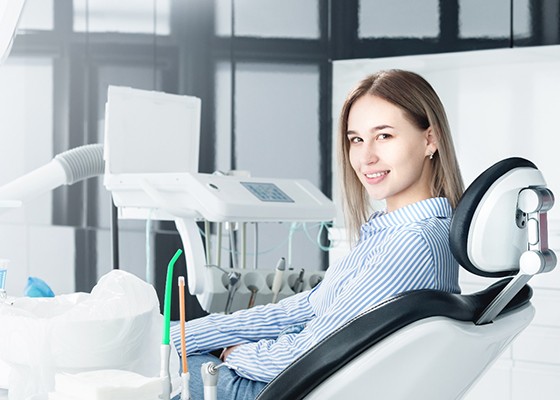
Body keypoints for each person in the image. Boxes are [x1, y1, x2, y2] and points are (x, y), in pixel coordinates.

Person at [170, 69, 464, 399]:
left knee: (163, 368)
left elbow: (313, 350)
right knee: (171, 352)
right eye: (356, 139)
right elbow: (302, 311)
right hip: (307, 383)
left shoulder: (412, 244)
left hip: (295, 389)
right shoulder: (398, 233)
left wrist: (236, 354)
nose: (366, 158)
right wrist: (181, 334)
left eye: (384, 136)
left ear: (430, 139)